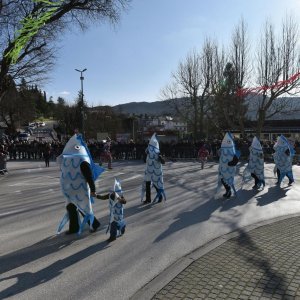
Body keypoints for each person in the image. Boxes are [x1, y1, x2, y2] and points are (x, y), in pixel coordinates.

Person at [57, 134, 105, 235]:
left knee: (84, 208)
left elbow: (89, 176)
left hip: (81, 189)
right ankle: (74, 228)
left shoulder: (83, 162)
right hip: (70, 190)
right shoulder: (69, 159)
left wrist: (93, 189)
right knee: (71, 208)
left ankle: (94, 224)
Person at [96, 179, 126, 243]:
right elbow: (104, 197)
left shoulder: (120, 196)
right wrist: (97, 196)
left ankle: (114, 236)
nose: (112, 193)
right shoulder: (111, 194)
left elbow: (124, 201)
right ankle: (119, 230)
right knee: (114, 223)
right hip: (113, 213)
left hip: (118, 213)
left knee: (115, 223)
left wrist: (120, 199)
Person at [141, 133, 166, 204]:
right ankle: (148, 199)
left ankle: (160, 196)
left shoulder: (158, 152)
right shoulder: (148, 151)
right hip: (148, 171)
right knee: (147, 184)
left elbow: (163, 162)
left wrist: (161, 158)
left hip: (156, 172)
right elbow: (144, 158)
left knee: (156, 184)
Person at [218, 132, 239, 198]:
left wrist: (230, 163)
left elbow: (235, 160)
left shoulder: (233, 152)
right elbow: (220, 156)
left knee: (228, 180)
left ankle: (228, 191)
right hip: (223, 169)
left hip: (230, 169)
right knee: (222, 179)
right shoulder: (222, 150)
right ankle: (228, 190)